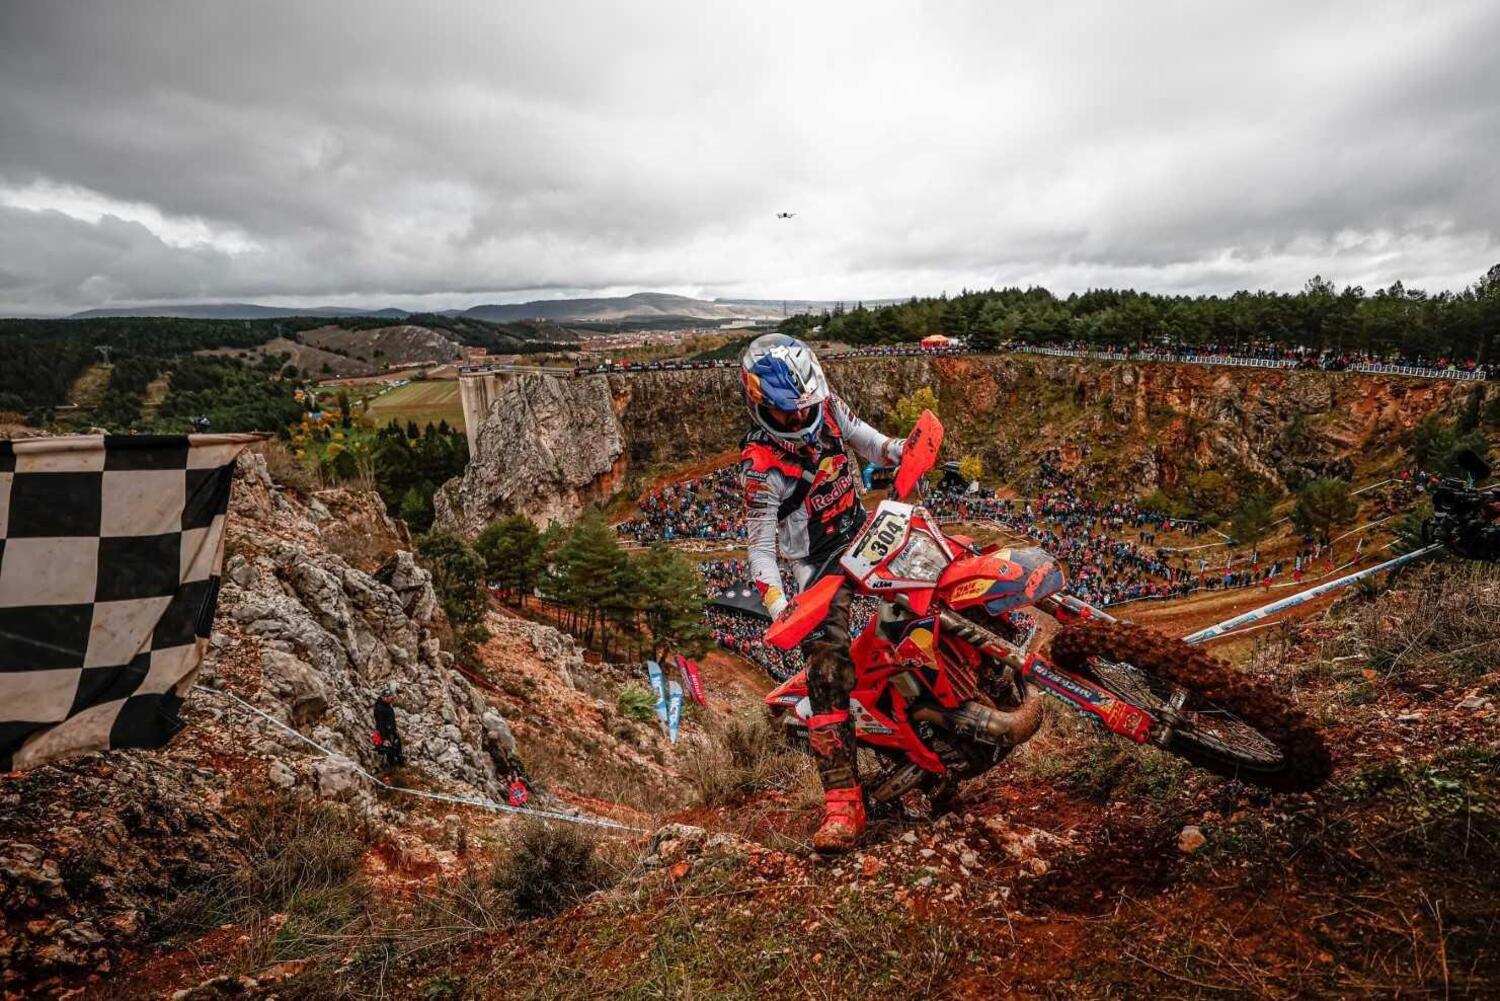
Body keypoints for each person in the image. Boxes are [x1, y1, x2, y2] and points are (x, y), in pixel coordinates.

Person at [737, 333, 904, 854]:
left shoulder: (826, 408)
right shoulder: (759, 466)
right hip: (815, 564)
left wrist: (898, 450)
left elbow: (865, 439)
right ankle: (843, 800)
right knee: (826, 666)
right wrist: (780, 606)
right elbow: (760, 549)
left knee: (927, 582)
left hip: (861, 530)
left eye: (804, 410)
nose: (800, 423)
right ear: (761, 404)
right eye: (788, 416)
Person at [373, 684, 405, 770]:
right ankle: (391, 769)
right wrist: (385, 738)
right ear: (383, 697)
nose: (390, 698)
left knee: (397, 748)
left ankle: (398, 766)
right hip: (386, 734)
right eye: (387, 696)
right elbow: (380, 724)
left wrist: (394, 731)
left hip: (391, 732)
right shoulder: (379, 708)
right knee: (390, 751)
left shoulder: (387, 706)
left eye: (390, 696)